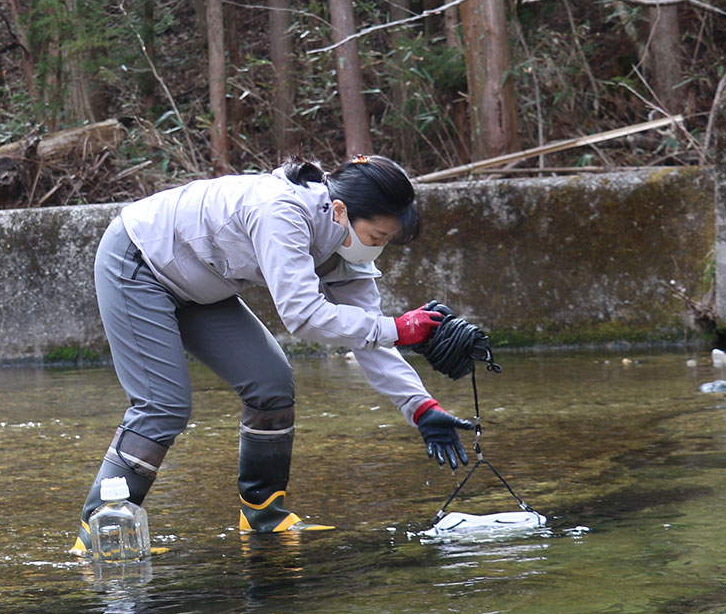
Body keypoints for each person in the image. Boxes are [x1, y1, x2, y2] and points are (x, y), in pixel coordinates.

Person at [78, 154, 473, 537]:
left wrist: (421, 407)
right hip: (139, 262)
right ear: (339, 211)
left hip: (201, 282)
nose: (377, 247)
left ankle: (264, 516)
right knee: (164, 406)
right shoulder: (282, 211)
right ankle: (102, 531)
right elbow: (302, 315)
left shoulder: (346, 246)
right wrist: (401, 329)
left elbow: (368, 332)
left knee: (271, 385)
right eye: (377, 236)